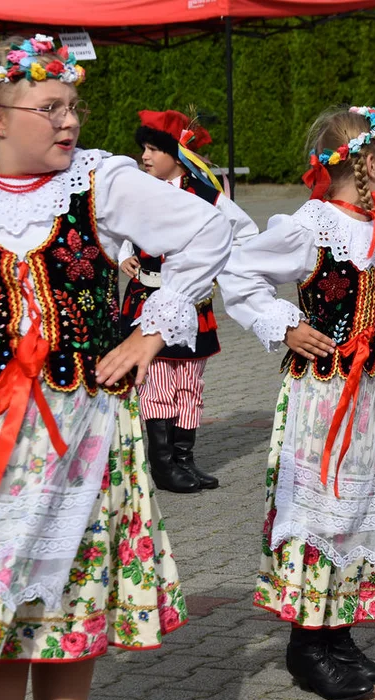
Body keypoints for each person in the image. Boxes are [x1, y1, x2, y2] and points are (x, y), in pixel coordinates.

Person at [0, 35, 240, 700]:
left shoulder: (101, 181)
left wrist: (154, 329)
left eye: (73, 106)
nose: (68, 120)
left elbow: (207, 233)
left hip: (80, 428)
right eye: (49, 107)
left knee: (67, 598)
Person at [220, 106, 375, 700]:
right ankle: (307, 644)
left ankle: (340, 632)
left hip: (370, 394)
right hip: (321, 397)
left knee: (357, 511)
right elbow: (241, 273)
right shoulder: (310, 226)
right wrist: (286, 324)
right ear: (368, 164)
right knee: (319, 509)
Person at [119, 109, 258, 493]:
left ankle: (185, 460)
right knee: (158, 382)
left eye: (153, 149)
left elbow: (244, 233)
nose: (144, 156)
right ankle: (163, 466)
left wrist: (216, 269)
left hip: (193, 305)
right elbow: (114, 229)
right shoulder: (137, 191)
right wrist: (123, 254)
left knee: (189, 384)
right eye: (143, 149)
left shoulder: (206, 196)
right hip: (148, 298)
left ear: (178, 155)